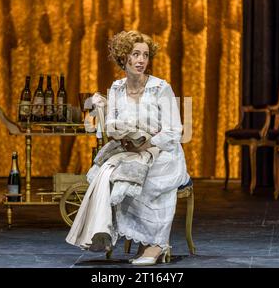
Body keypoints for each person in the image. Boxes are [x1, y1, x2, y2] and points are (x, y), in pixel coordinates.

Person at [66, 30, 190, 266]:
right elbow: (110, 126)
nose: (142, 60)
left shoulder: (160, 88)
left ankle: (155, 244)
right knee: (109, 173)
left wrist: (148, 142)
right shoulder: (116, 88)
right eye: (135, 54)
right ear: (124, 58)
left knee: (147, 176)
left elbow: (174, 131)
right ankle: (107, 233)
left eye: (145, 55)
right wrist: (118, 132)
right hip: (130, 151)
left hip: (163, 153)